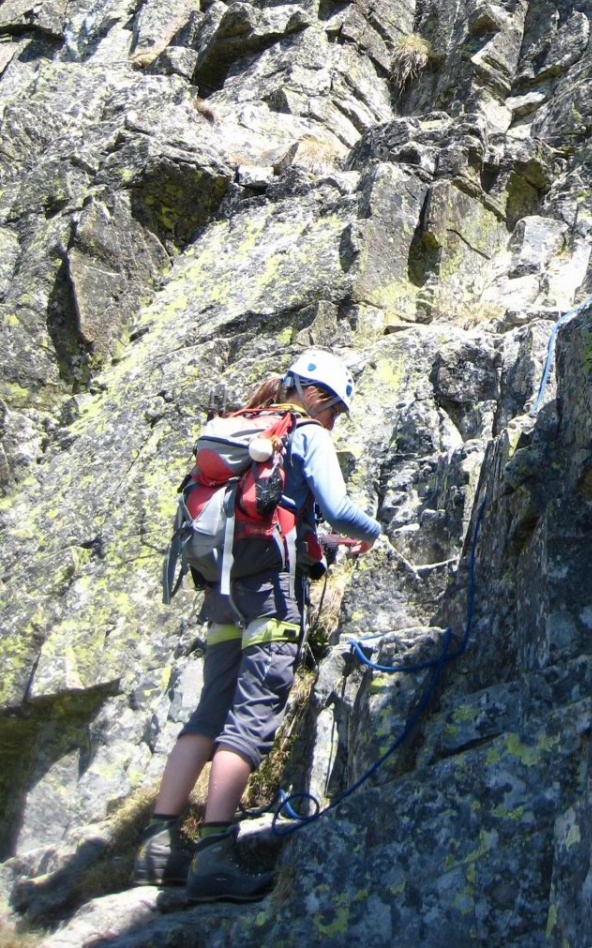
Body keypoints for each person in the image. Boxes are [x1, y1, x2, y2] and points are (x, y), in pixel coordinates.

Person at [133, 348, 383, 903]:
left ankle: (156, 846)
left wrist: (324, 544)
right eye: (335, 410)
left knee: (210, 710)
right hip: (270, 594)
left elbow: (278, 513)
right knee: (251, 714)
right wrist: (375, 532)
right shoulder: (306, 433)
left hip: (223, 592)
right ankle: (214, 856)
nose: (333, 422)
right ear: (316, 395)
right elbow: (338, 508)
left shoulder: (246, 429)